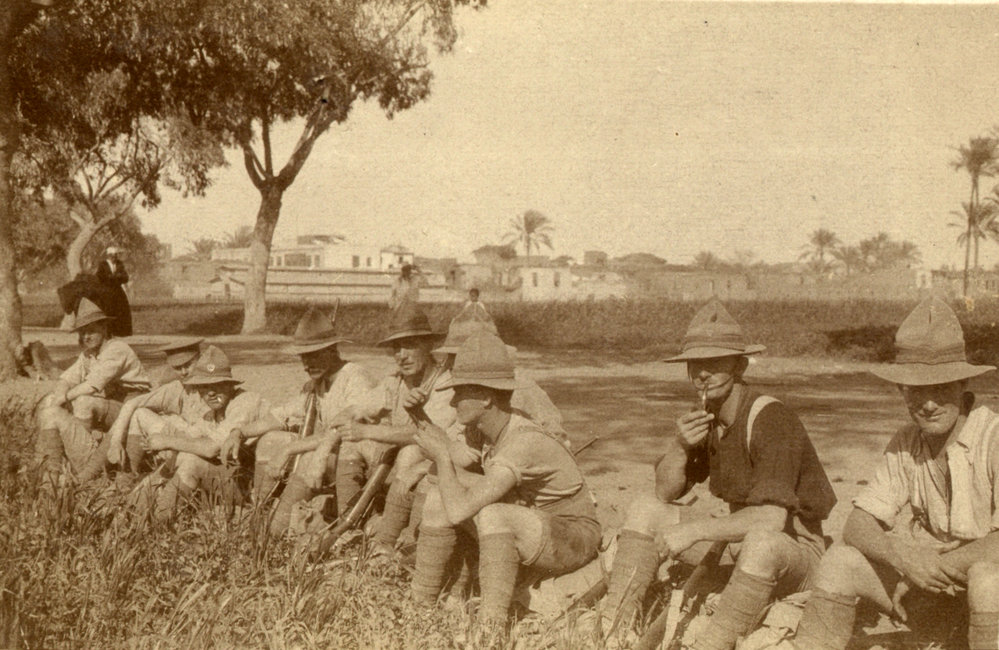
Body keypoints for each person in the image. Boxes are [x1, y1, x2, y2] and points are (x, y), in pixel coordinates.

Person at [597, 299, 836, 650]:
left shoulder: (769, 417)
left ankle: (713, 643)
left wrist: (692, 531)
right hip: (739, 542)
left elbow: (771, 519)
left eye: (714, 363)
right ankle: (614, 630)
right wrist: (679, 446)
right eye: (695, 364)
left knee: (761, 543)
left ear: (740, 365)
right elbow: (664, 494)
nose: (702, 374)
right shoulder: (708, 415)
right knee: (645, 509)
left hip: (795, 552)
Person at [788, 298, 999, 650]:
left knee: (988, 577)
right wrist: (903, 558)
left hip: (985, 591)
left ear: (963, 384)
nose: (928, 404)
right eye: (916, 389)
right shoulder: (906, 441)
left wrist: (926, 568)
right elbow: (857, 525)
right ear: (901, 389)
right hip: (939, 590)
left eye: (941, 387)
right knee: (841, 560)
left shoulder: (993, 437)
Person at [411, 330, 601, 631]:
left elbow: (461, 508)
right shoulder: (484, 427)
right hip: (532, 525)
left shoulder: (522, 440)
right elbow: (454, 464)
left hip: (572, 535)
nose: (452, 402)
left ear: (486, 396)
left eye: (460, 393)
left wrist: (441, 458)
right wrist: (418, 416)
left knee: (491, 513)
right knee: (437, 498)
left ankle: (491, 627)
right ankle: (418, 609)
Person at [216, 307, 376, 536]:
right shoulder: (315, 385)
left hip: (356, 456)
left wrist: (291, 448)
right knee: (271, 440)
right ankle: (261, 510)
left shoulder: (355, 377)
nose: (307, 364)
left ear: (333, 350)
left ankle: (275, 527)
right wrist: (238, 432)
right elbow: (278, 416)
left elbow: (344, 431)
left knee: (306, 456)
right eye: (304, 356)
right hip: (328, 451)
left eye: (315, 354)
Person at [332, 303, 456, 539]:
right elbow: (354, 410)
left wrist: (368, 431)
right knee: (351, 445)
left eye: (409, 345)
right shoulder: (396, 382)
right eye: (396, 348)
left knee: (410, 451)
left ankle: (387, 539)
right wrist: (344, 429)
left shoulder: (444, 384)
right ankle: (349, 528)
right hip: (396, 466)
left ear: (428, 345)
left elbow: (421, 435)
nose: (402, 355)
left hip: (437, 465)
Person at [106, 345, 271, 521]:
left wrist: (167, 441)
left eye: (218, 385)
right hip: (227, 478)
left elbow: (212, 448)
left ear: (231, 385)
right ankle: (129, 511)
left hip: (250, 486)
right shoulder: (211, 414)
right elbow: (189, 439)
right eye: (204, 387)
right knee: (181, 456)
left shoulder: (244, 402)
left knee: (192, 461)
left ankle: (157, 521)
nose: (211, 393)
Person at [34, 297, 150, 487]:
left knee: (84, 401)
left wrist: (64, 398)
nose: (85, 337)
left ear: (104, 328)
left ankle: (88, 465)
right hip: (110, 408)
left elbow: (92, 386)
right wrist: (58, 397)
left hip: (132, 407)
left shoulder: (117, 349)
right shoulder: (89, 354)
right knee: (50, 408)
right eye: (82, 332)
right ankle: (54, 472)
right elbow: (67, 378)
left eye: (91, 331)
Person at [96, 246, 132, 337]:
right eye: (111, 255)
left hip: (117, 291)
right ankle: (106, 331)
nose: (114, 257)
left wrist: (113, 278)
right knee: (106, 310)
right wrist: (115, 277)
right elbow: (100, 277)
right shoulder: (103, 264)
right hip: (106, 291)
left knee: (121, 308)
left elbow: (125, 277)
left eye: (115, 255)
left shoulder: (120, 264)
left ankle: (119, 331)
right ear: (108, 255)